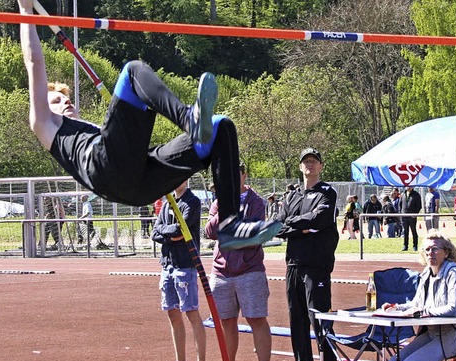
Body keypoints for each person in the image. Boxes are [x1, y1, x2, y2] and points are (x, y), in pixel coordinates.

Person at [18, 0, 280, 251]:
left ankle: (229, 223)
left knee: (220, 126)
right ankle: (190, 120)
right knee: (133, 71)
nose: (66, 102)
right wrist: (24, 9)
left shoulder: (89, 130)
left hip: (139, 184)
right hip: (106, 170)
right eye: (57, 100)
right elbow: (34, 63)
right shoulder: (45, 125)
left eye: (68, 98)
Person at [276, 148, 339, 361]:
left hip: (316, 266)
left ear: (321, 166)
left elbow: (320, 220)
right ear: (300, 167)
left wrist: (297, 227)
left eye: (314, 161)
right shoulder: (292, 195)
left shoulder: (327, 192)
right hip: (293, 265)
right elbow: (278, 226)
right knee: (298, 321)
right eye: (306, 162)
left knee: (320, 320)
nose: (309, 165)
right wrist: (300, 228)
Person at [205, 163, 273, 361]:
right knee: (226, 322)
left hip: (249, 271)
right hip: (221, 273)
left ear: (244, 175)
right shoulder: (218, 202)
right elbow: (210, 231)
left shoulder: (256, 202)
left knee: (256, 319)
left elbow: (252, 234)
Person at [382, 230, 456, 361]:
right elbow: (417, 304)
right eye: (426, 249)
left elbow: (454, 310)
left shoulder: (453, 273)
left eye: (435, 249)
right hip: (432, 334)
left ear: (446, 253)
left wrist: (423, 313)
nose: (430, 253)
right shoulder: (426, 273)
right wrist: (396, 307)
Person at [151, 181, 210, 361]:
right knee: (172, 312)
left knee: (191, 312)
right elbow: (155, 231)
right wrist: (169, 234)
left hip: (186, 264)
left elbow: (180, 230)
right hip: (167, 264)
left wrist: (167, 233)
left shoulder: (191, 202)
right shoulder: (168, 202)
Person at [400, 187, 422, 251]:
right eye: (407, 186)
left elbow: (419, 206)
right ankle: (405, 245)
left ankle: (415, 246)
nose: (408, 187)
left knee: (413, 231)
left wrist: (415, 214)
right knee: (405, 231)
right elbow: (400, 205)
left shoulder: (416, 194)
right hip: (404, 216)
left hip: (412, 216)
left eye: (410, 186)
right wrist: (401, 213)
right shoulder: (403, 194)